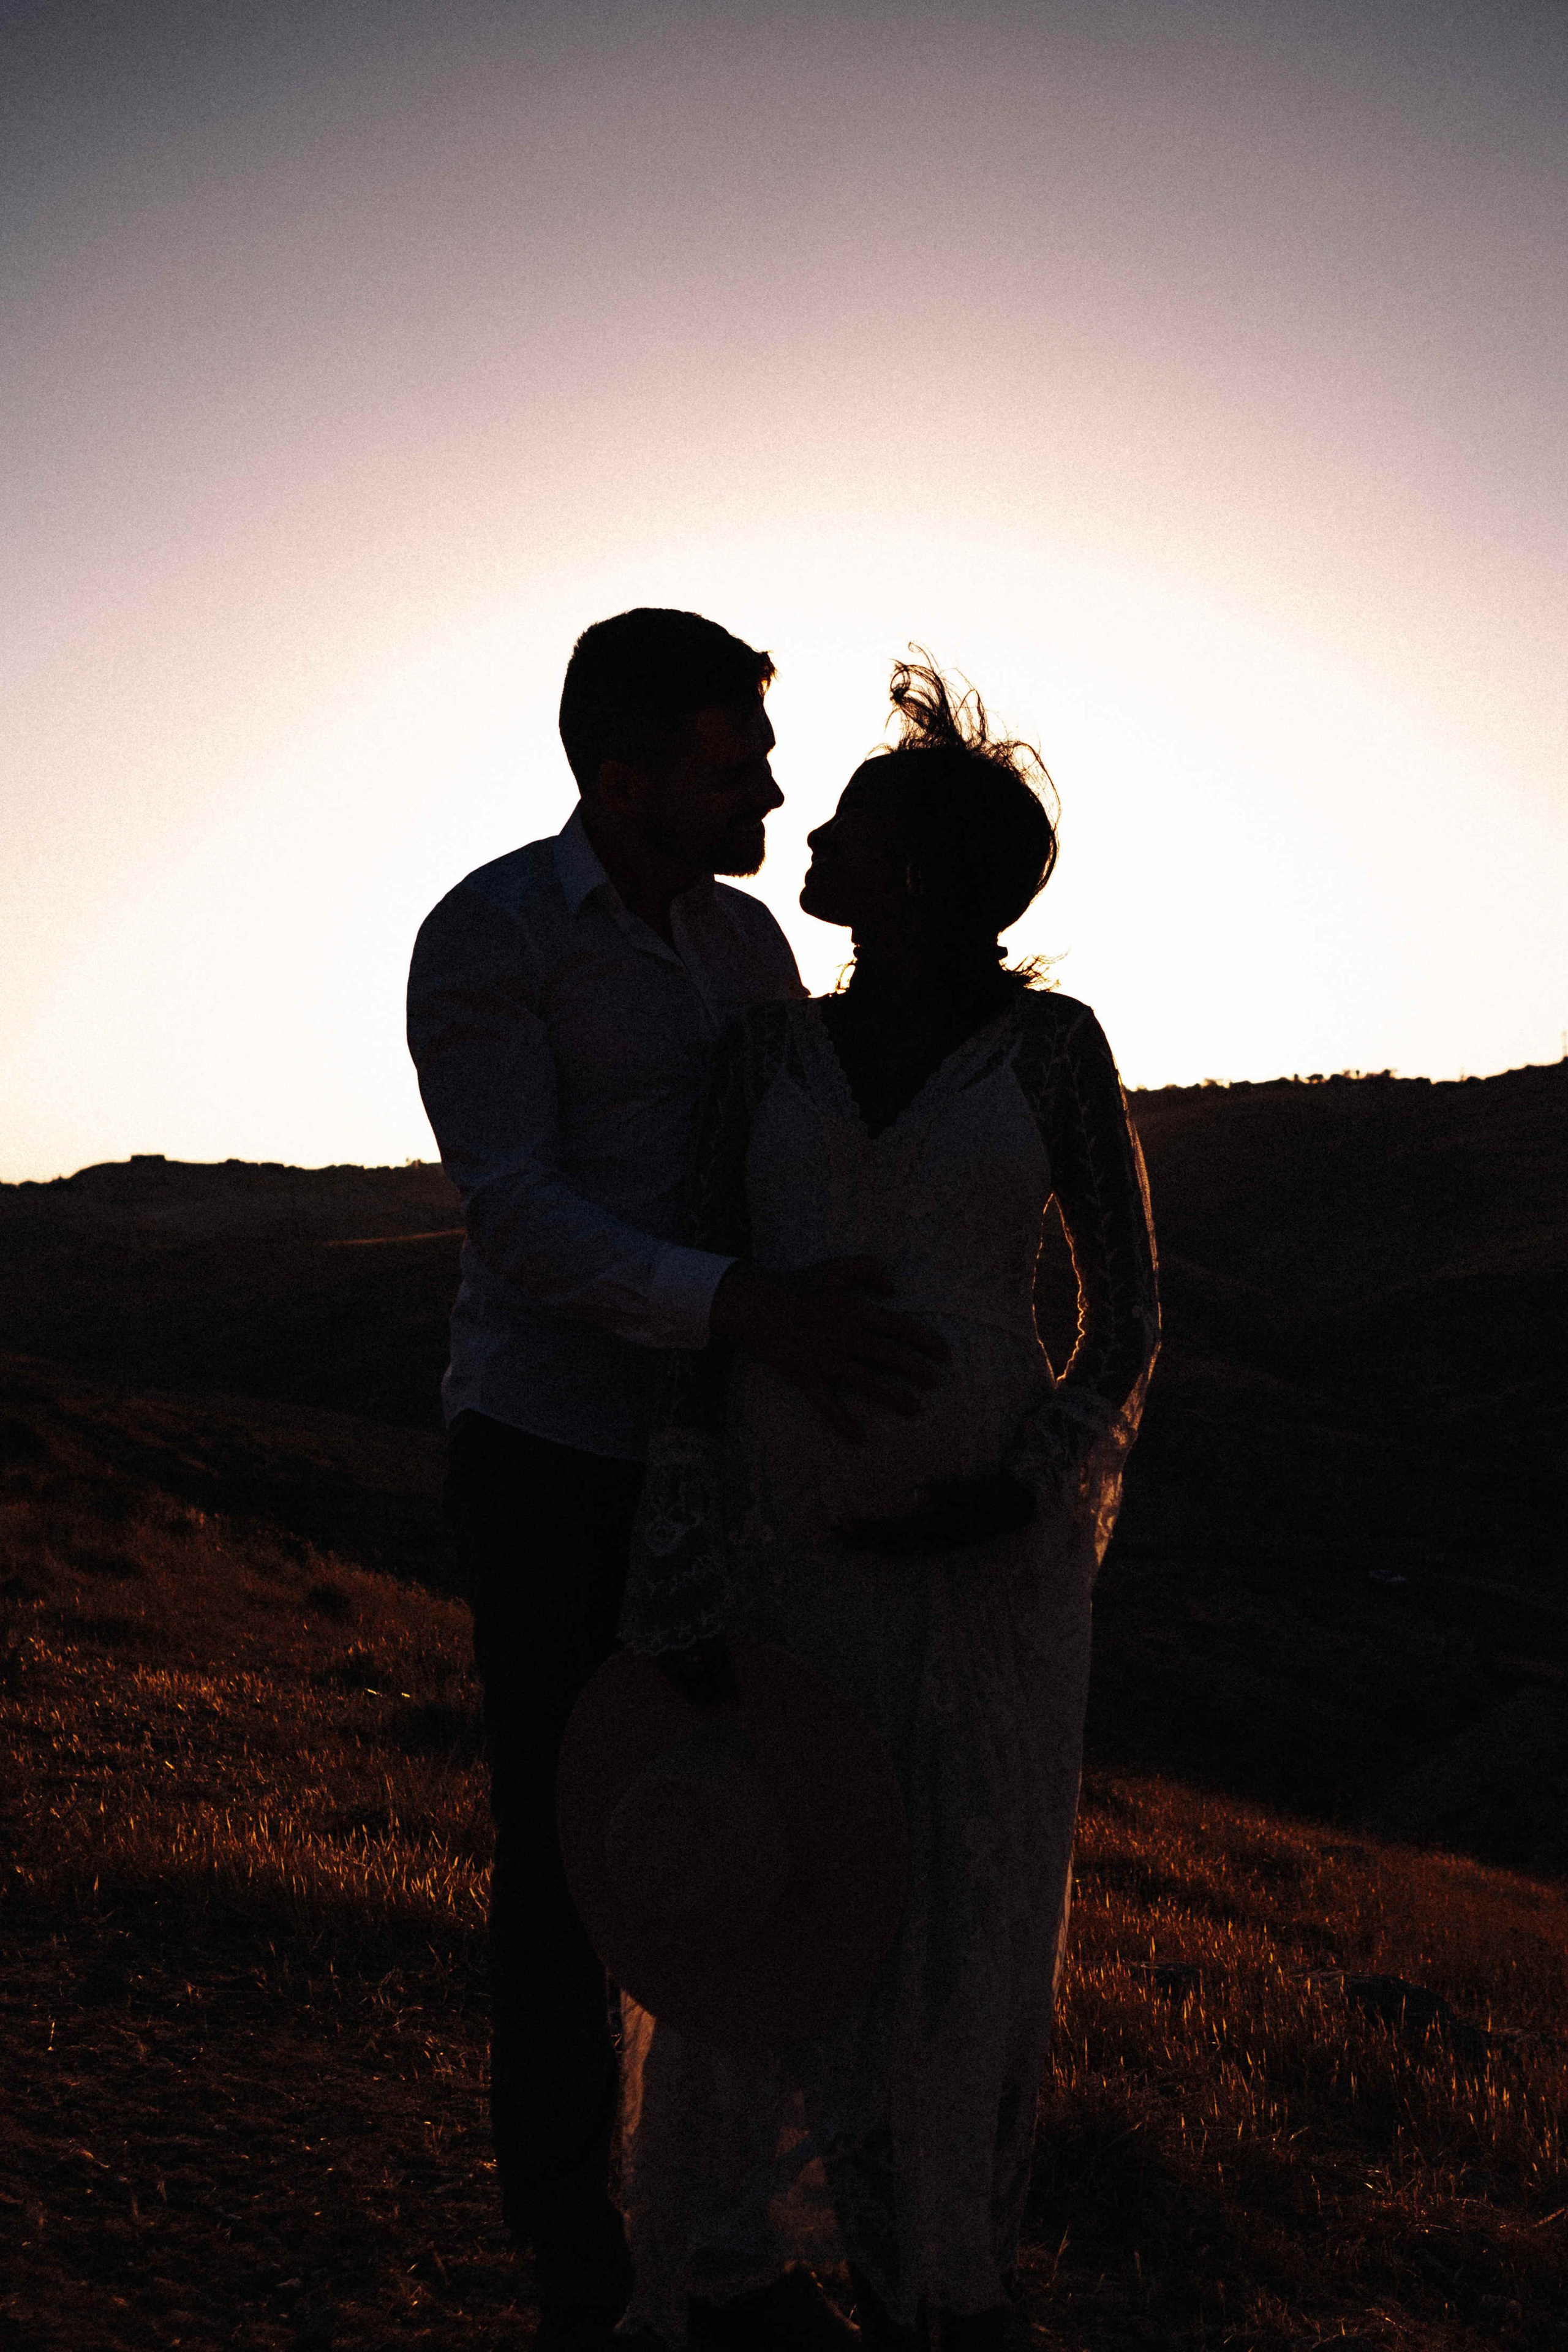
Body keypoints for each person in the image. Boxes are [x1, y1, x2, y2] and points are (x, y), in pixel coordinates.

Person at [405, 609, 947, 2352]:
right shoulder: (489, 937)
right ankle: (583, 2269)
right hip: (553, 1448)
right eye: (735, 769)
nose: (775, 795)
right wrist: (745, 1311)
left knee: (759, 1831)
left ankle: (726, 2237)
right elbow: (516, 1211)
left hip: (732, 1451)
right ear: (625, 781)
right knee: (571, 1857)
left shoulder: (747, 954)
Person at [616, 657, 1161, 2350]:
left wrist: (1023, 1492)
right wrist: (692, 1565)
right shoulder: (760, 1050)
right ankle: (721, 2273)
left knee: (961, 1909)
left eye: (844, 822)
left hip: (988, 1570)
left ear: (914, 874)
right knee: (766, 1885)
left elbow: (1127, 1317)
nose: (810, 838)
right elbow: (704, 1312)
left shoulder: (1052, 1053)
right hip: (785, 1544)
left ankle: (932, 2274)